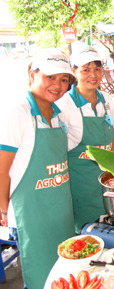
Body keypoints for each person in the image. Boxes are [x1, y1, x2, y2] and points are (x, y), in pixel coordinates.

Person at [0, 48, 75, 289]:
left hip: (61, 207)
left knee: (65, 272)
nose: (57, 85)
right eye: (50, 77)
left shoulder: (58, 114)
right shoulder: (18, 111)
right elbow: (2, 169)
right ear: (33, 74)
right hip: (33, 213)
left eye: (63, 79)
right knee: (42, 277)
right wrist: (2, 210)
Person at [56, 46, 114, 233]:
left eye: (97, 69)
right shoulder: (64, 106)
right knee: (86, 236)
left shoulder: (107, 99)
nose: (93, 75)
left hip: (106, 184)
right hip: (81, 187)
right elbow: (58, 152)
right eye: (85, 69)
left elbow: (112, 140)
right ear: (74, 71)